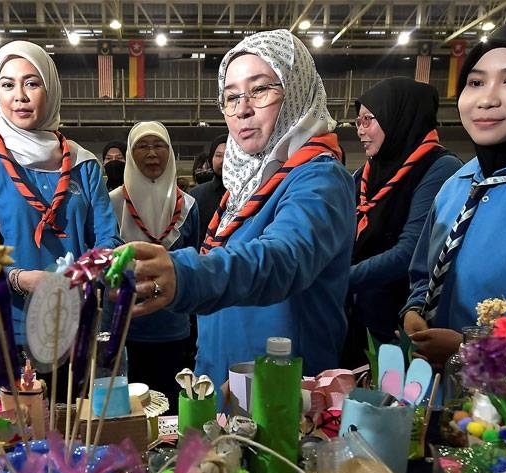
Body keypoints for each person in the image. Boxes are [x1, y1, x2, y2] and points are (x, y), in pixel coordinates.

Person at [125, 29, 355, 392]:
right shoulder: (247, 181)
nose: (242, 109)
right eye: (231, 97)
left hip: (279, 395)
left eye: (260, 90)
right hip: (221, 379)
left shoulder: (319, 178)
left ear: (296, 89)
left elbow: (283, 257)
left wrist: (185, 274)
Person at [0, 40, 121, 350]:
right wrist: (18, 278)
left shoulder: (82, 162)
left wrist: (84, 271)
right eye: (8, 85)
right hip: (12, 326)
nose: (20, 96)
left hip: (76, 320)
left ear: (51, 90)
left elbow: (108, 239)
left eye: (32, 83)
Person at [403, 17, 506, 367]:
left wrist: (470, 350)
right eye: (475, 82)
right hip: (441, 392)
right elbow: (423, 274)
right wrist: (415, 309)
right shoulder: (457, 186)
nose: (486, 99)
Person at [342, 78, 461, 368]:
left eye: (368, 119)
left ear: (398, 116)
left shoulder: (439, 168)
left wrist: (338, 279)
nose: (360, 129)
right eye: (357, 121)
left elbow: (409, 251)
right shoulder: (365, 173)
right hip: (357, 319)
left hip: (403, 322)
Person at [110, 122, 200, 405]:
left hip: (173, 328)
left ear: (170, 152)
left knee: (172, 408)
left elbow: (194, 261)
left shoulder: (188, 206)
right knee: (128, 411)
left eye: (159, 145)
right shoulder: (112, 204)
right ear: (130, 153)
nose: (152, 153)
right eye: (143, 146)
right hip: (125, 327)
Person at [189, 134, 228, 231]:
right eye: (218, 155)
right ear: (211, 159)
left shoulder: (249, 193)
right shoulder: (196, 195)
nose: (223, 161)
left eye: (228, 155)